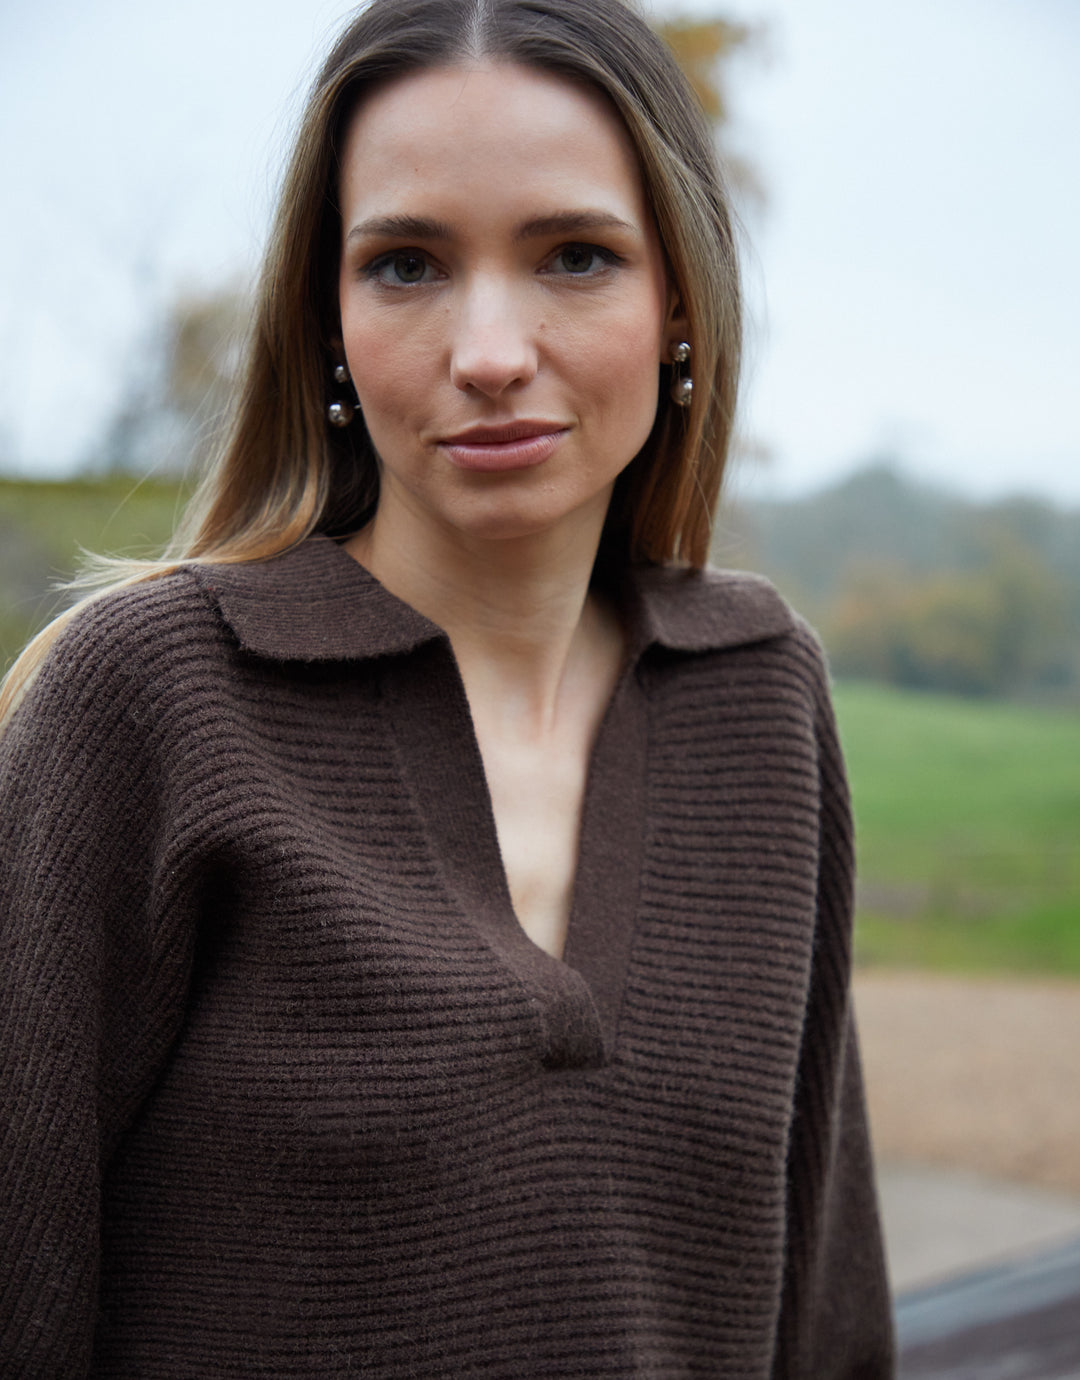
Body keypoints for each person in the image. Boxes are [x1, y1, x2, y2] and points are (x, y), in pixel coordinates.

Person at [0, 0, 895, 1374]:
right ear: (328, 315)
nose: (488, 353)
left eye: (576, 256)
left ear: (678, 300)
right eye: (407, 265)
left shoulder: (758, 699)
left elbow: (827, 1330)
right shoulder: (150, 703)